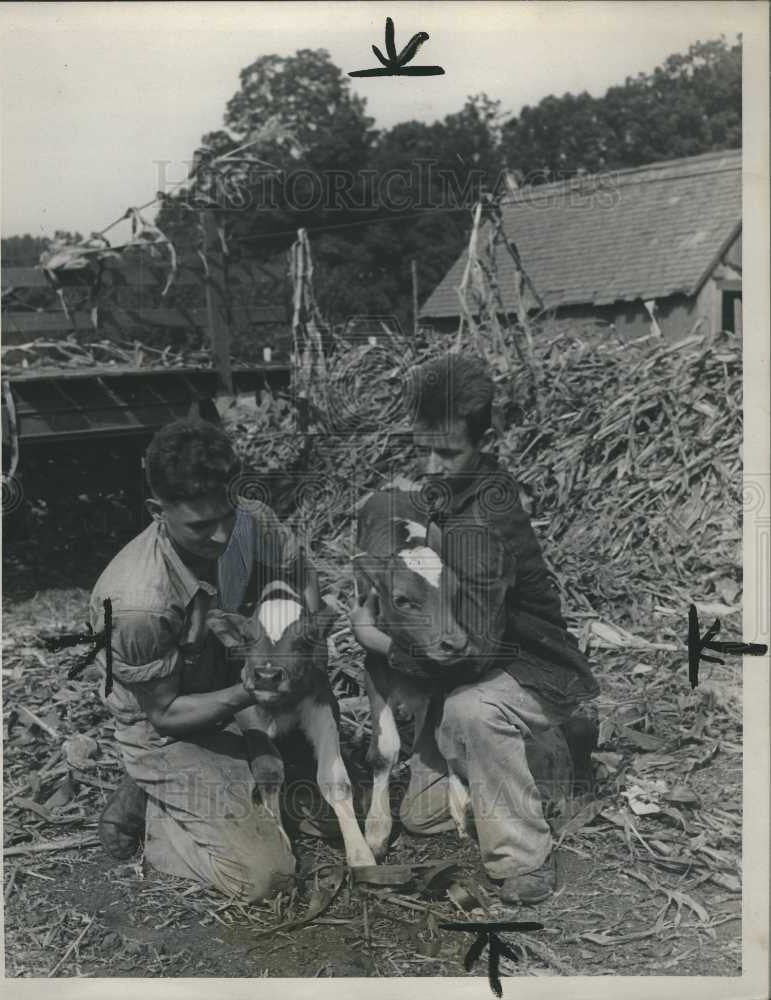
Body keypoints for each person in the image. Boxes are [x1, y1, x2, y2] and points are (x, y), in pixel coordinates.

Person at [349, 353, 599, 905]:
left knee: (471, 713)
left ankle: (524, 856)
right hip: (471, 660)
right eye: (423, 450)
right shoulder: (450, 490)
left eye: (448, 451)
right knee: (422, 817)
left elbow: (470, 653)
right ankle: (532, 760)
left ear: (485, 439)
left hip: (527, 665)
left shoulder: (485, 524)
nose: (432, 466)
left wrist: (374, 637)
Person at [91, 417, 321, 901]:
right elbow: (165, 713)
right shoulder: (138, 602)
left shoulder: (251, 520)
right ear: (158, 511)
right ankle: (157, 812)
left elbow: (301, 575)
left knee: (325, 802)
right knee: (267, 877)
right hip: (171, 723)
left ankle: (219, 777)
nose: (220, 537)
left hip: (243, 686)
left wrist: (296, 644)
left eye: (226, 516)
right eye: (200, 526)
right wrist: (251, 690)